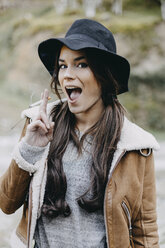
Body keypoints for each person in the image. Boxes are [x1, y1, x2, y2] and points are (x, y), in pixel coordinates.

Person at [0, 19, 160, 248]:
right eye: (63, 66)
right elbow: (6, 203)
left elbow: (145, 233)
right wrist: (30, 149)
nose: (67, 75)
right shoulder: (39, 124)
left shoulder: (136, 146)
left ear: (104, 75)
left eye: (81, 64)